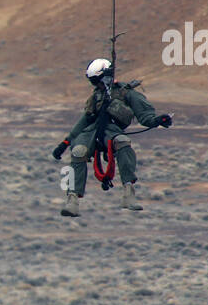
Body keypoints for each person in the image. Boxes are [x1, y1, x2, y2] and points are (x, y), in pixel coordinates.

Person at [51, 58, 173, 216]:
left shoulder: (126, 93)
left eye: (97, 81)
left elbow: (144, 114)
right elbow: (83, 121)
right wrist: (65, 144)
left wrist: (157, 120)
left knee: (122, 142)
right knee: (78, 151)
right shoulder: (96, 97)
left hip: (112, 130)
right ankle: (72, 200)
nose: (96, 85)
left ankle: (128, 192)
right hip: (91, 131)